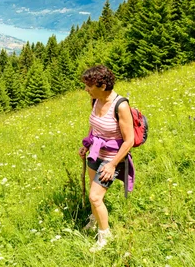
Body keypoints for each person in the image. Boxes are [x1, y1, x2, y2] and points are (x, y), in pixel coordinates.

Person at [78, 65, 135, 252]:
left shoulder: (121, 106)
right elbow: (94, 125)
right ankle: (95, 219)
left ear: (102, 86)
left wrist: (112, 164)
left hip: (112, 157)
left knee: (95, 197)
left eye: (89, 85)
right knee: (94, 195)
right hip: (95, 153)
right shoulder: (96, 99)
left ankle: (105, 237)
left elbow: (129, 141)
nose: (86, 89)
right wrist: (86, 144)